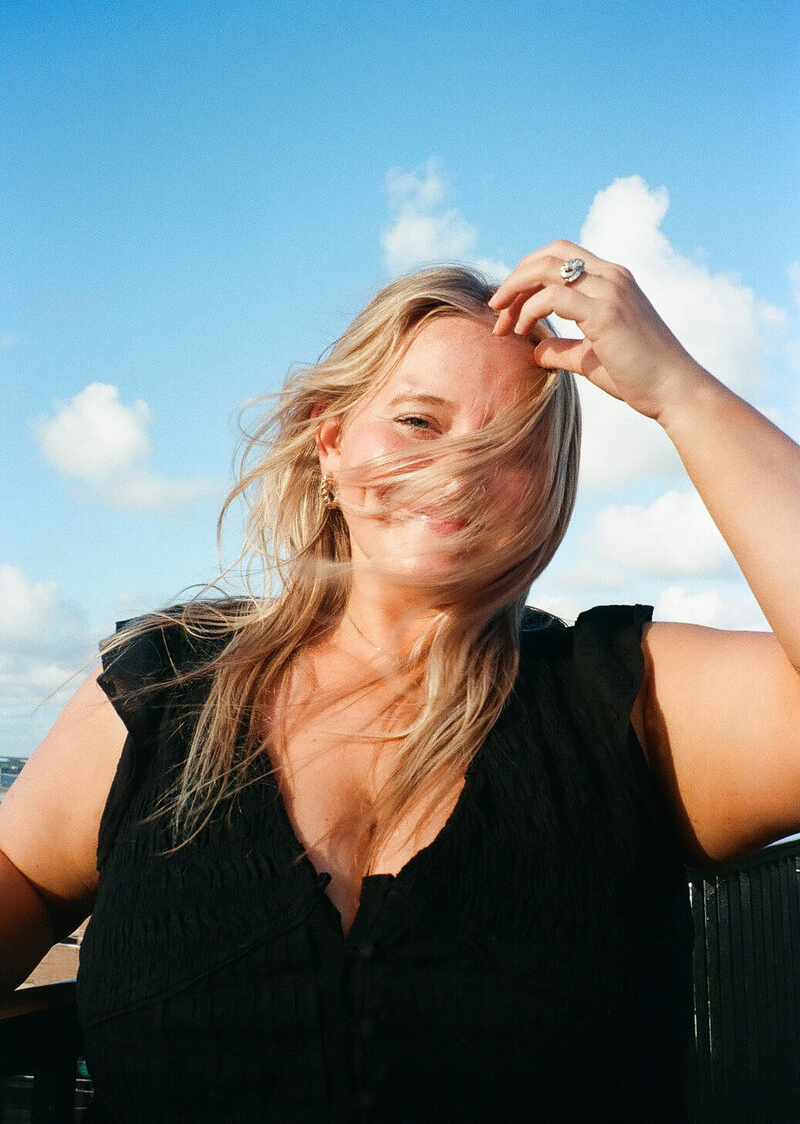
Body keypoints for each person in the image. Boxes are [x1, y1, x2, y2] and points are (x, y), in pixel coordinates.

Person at [1, 241, 799, 1123]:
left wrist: (679, 391)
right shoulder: (162, 691)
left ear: (550, 486)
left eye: (511, 444)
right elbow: (24, 873)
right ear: (330, 444)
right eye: (419, 422)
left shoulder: (626, 704)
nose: (461, 468)